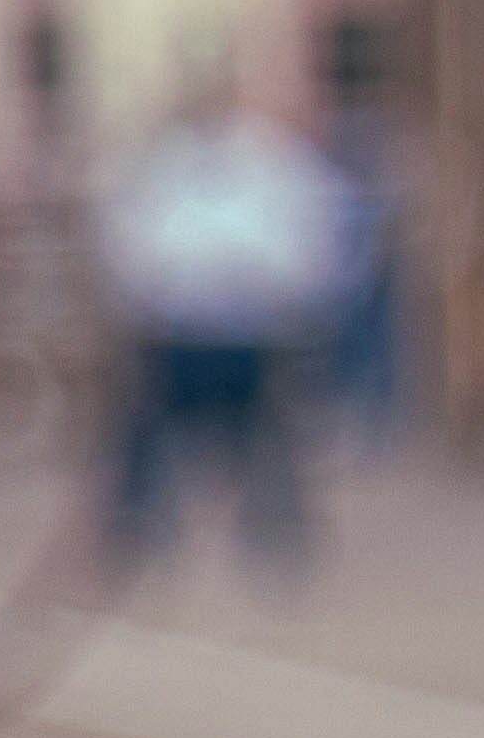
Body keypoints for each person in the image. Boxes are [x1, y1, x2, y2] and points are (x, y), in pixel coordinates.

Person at [95, 78, 354, 567]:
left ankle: (277, 536)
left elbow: (310, 243)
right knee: (142, 426)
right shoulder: (161, 165)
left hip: (252, 339)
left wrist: (262, 287)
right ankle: (137, 532)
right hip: (178, 337)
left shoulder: (271, 159)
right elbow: (130, 251)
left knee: (270, 434)